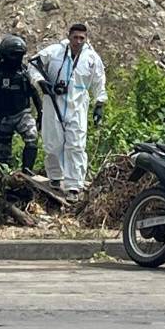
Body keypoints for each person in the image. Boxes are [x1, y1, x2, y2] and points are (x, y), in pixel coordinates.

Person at [29, 23, 106, 198]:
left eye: (82, 38)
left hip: (78, 106)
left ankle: (74, 186)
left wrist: (100, 103)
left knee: (76, 145)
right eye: (75, 37)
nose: (78, 41)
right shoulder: (54, 52)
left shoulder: (91, 58)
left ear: (86, 39)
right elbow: (32, 65)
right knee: (53, 143)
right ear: (69, 36)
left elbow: (99, 82)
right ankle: (55, 176)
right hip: (53, 103)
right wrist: (41, 82)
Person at [0, 36, 43, 172]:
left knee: (32, 137)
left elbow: (34, 93)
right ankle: (5, 177)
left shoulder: (24, 72)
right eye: (13, 55)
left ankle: (27, 171)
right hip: (1, 117)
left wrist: (40, 112)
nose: (16, 58)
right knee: (3, 155)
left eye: (19, 55)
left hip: (22, 113)